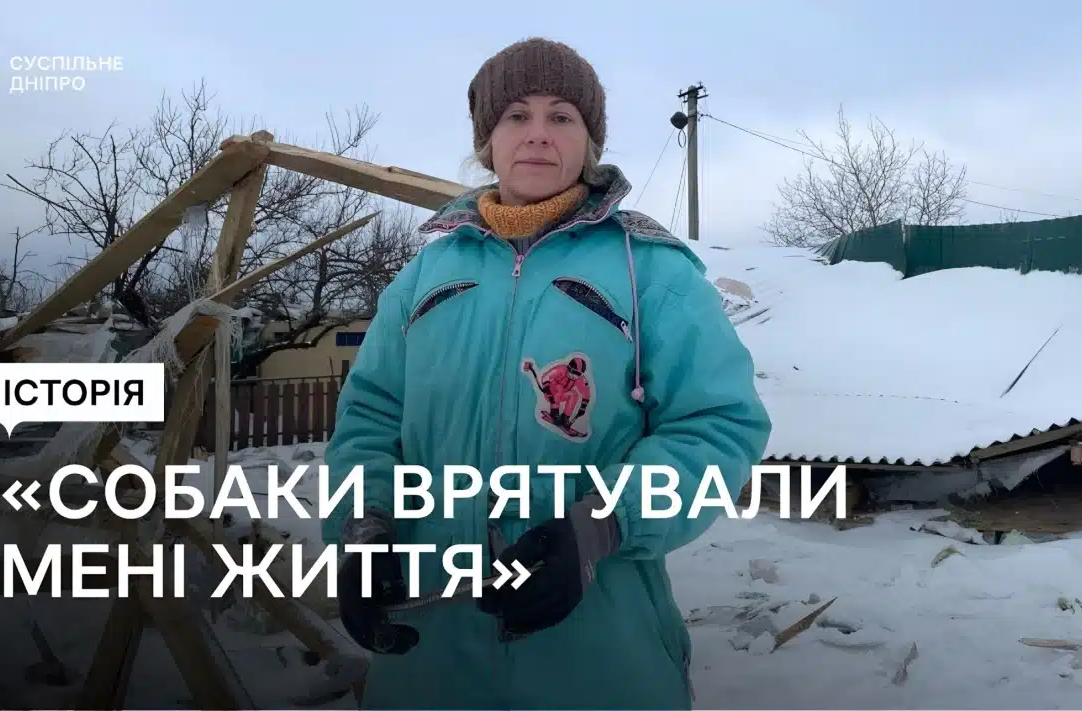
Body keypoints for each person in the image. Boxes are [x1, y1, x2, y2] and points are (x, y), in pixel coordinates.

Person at [322, 36, 772, 710]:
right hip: (428, 656)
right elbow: (370, 420)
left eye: (561, 116)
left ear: (589, 141)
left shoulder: (649, 269)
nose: (538, 134)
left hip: (599, 656)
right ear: (487, 140)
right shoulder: (424, 275)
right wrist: (362, 531)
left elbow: (716, 426)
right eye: (516, 115)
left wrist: (601, 526)